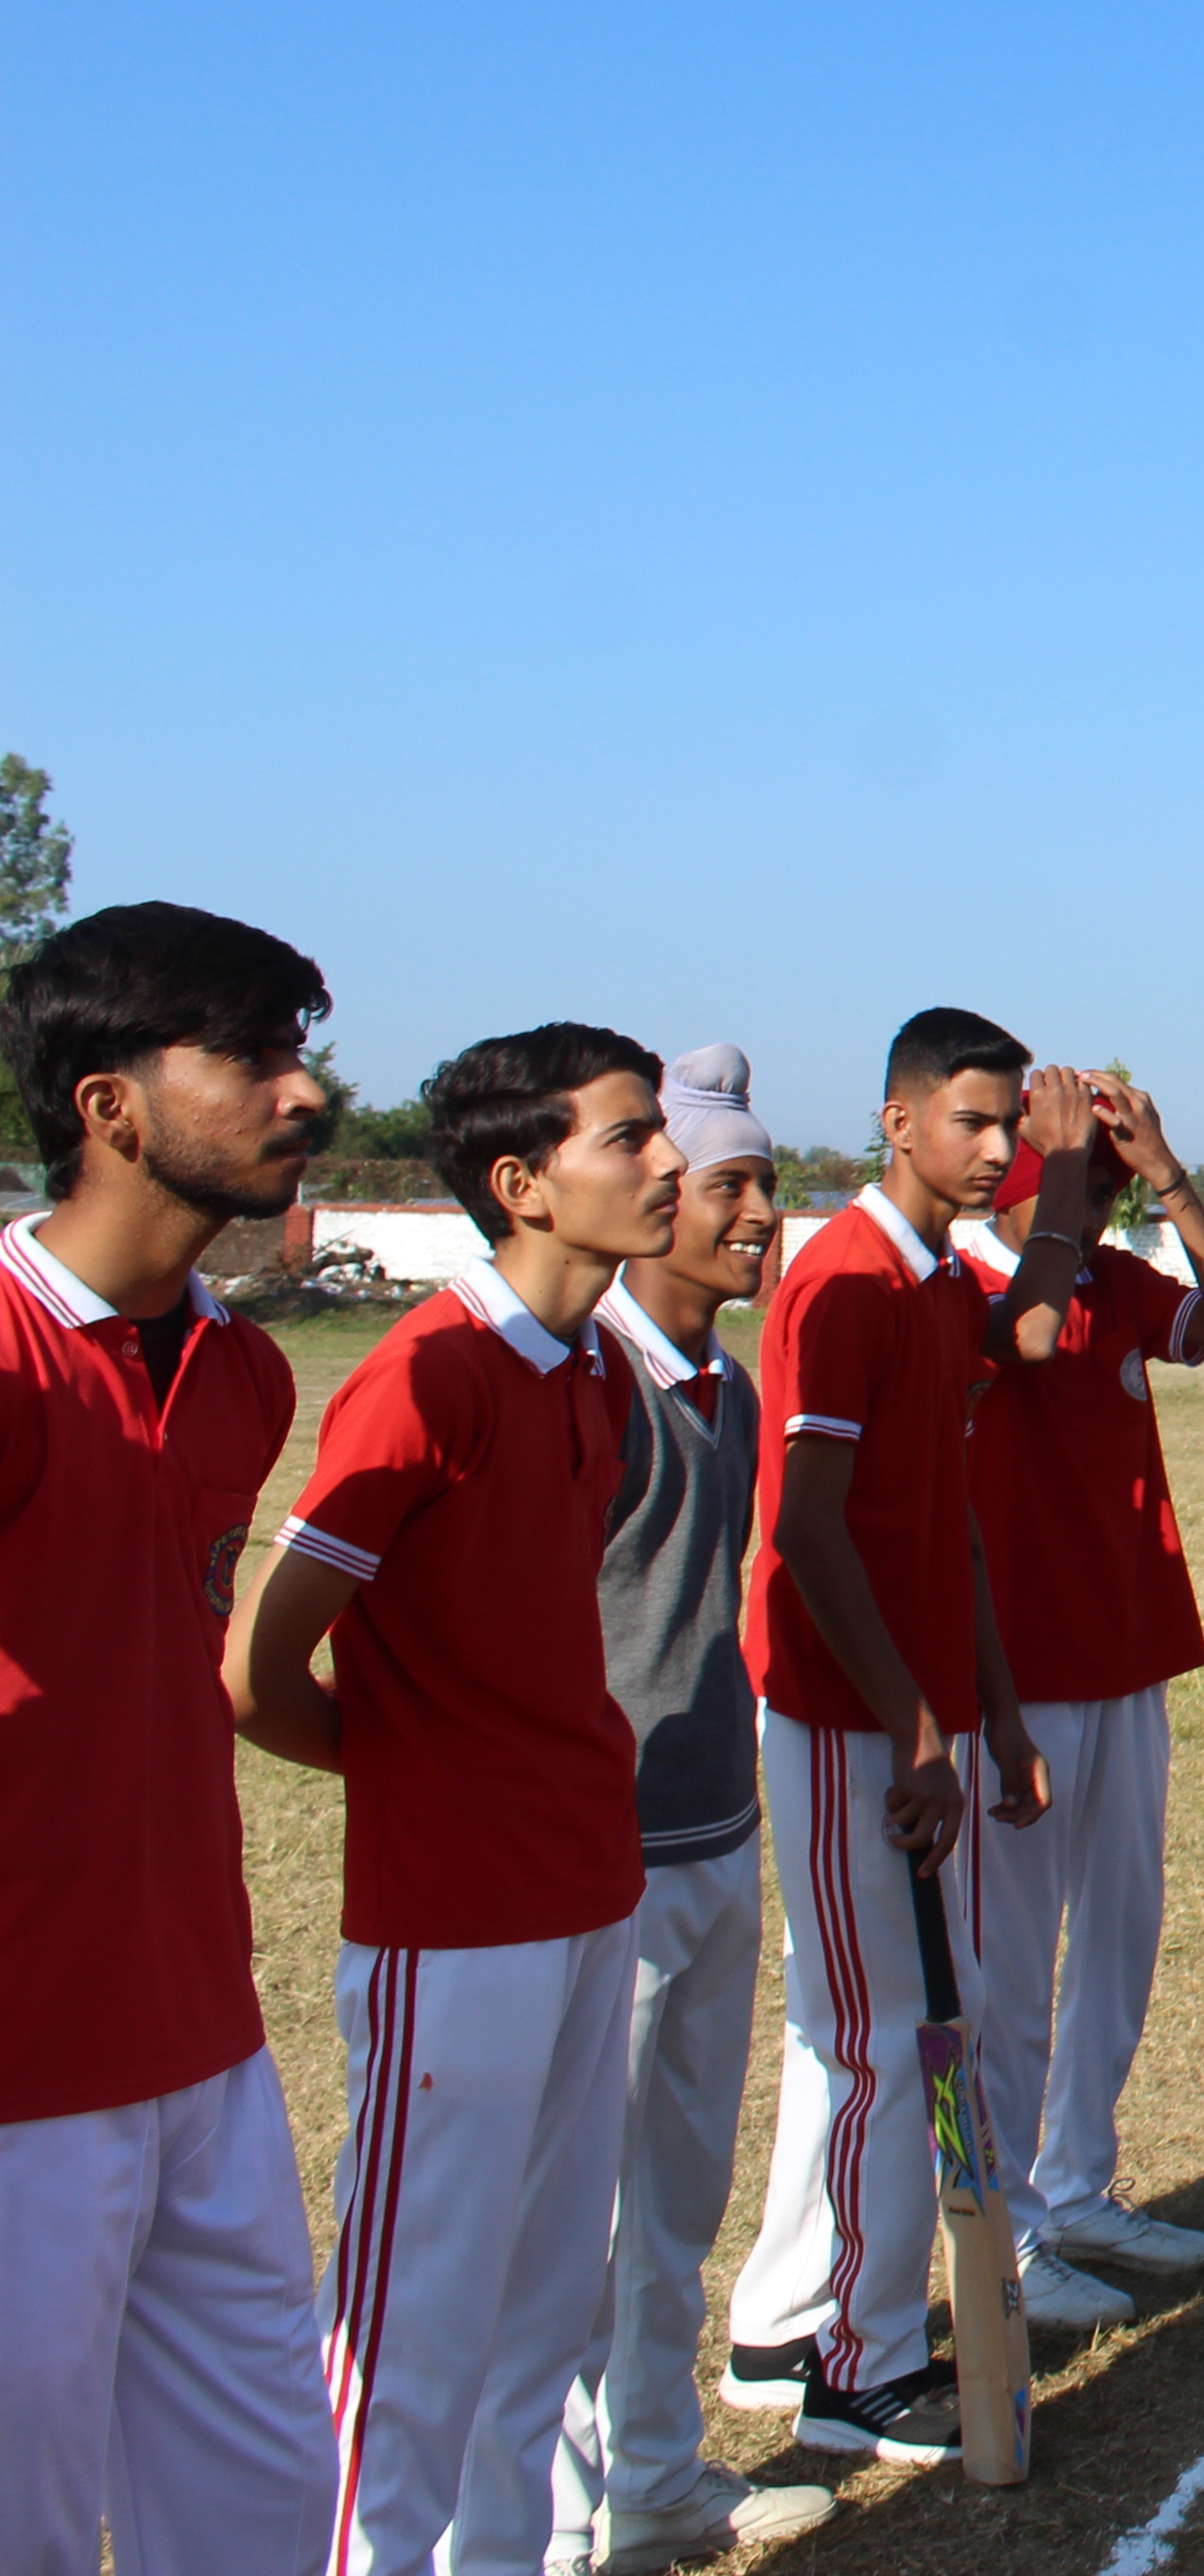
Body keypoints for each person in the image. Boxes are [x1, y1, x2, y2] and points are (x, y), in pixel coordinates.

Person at [225, 1026, 684, 2576]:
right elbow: (254, 1670)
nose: (670, 1165)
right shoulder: (421, 1376)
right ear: (524, 1183)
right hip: (455, 1918)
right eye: (631, 1139)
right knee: (414, 2325)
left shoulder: (595, 1368)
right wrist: (426, 1776)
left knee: (546, 2309)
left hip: (585, 1888)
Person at [0, 903, 338, 2576]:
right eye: (253, 1057)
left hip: (203, 2037)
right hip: (21, 2073)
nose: (304, 1092)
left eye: (302, 1049)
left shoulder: (239, 1376)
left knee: (265, 2503)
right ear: (108, 1104)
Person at [722, 1008, 1049, 2465]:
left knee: (928, 2020)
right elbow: (806, 1530)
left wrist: (992, 1708)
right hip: (850, 1722)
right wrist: (915, 1732)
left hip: (924, 1723)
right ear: (898, 1120)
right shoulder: (847, 1281)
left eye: (1010, 1125)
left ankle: (813, 2314)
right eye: (971, 1121)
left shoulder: (934, 1287)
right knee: (882, 2041)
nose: (996, 1150)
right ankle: (857, 2361)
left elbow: (953, 1529)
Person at [547, 1045, 834, 2575]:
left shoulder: (725, 1380)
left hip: (717, 1826)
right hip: (611, 1850)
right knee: (583, 2217)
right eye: (729, 1186)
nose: (758, 1216)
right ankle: (553, 2515)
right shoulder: (585, 1382)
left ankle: (656, 2477)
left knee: (678, 2198)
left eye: (765, 1185)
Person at [949, 1066, 1204, 2329]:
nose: (1104, 1200)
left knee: (1120, 1944)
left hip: (1129, 1655)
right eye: (1081, 1178)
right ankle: (1015, 2230)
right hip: (1019, 1680)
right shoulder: (975, 1289)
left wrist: (1175, 1177)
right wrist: (1075, 1176)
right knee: (1014, 1968)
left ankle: (1079, 2182)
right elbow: (1024, 1341)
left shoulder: (1107, 1282)